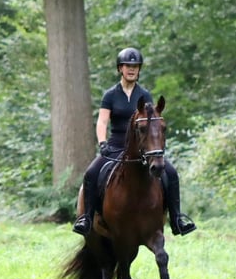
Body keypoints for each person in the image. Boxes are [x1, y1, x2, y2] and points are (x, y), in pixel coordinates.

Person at [73, 47, 196, 237]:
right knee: (91, 173)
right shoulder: (110, 95)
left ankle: (177, 218)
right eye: (127, 66)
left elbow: (152, 123)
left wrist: (154, 147)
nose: (131, 69)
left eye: (135, 66)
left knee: (171, 173)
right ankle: (87, 219)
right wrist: (103, 143)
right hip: (115, 147)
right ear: (120, 68)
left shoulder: (145, 95)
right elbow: (102, 121)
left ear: (139, 69)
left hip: (141, 149)